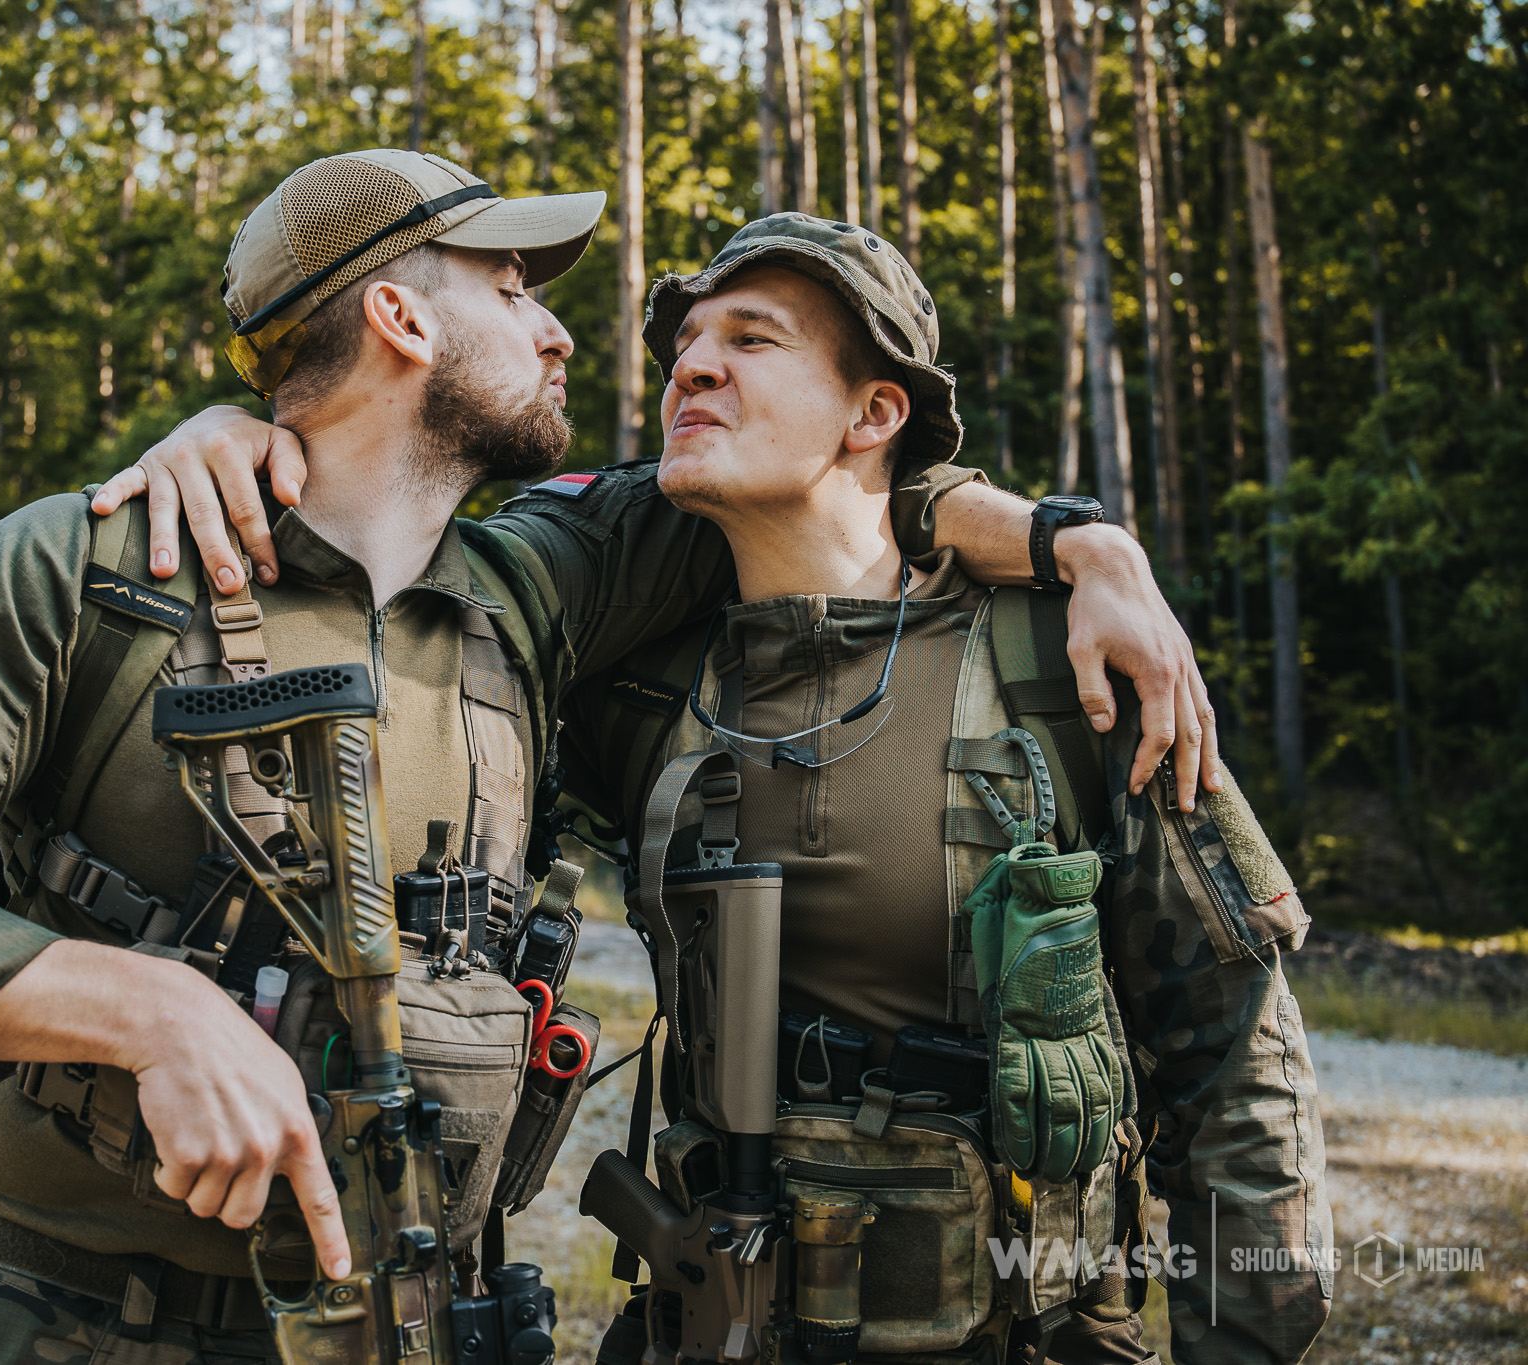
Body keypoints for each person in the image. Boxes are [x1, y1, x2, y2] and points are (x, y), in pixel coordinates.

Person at [0, 151, 1177, 1365]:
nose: (560, 335)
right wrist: (142, 1009)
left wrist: (1075, 541)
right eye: (516, 288)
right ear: (402, 322)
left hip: (431, 1324)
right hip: (81, 1327)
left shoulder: (534, 592)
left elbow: (844, 460)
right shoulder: (91, 568)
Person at [101, 218, 1328, 1363]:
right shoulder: (633, 688)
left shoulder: (1065, 667)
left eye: (750, 341)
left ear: (872, 411)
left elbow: (1232, 1066)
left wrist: (1245, 1339)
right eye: (686, 344)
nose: (691, 367)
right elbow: (389, 590)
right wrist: (252, 434)